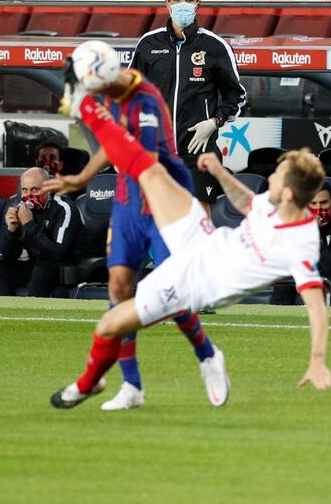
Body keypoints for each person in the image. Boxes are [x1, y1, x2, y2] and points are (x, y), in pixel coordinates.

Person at [50, 64, 331, 409]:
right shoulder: (283, 204)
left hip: (193, 281)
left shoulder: (300, 244)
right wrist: (218, 171)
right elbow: (248, 204)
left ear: (288, 194)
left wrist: (317, 359)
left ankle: (89, 384)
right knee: (148, 172)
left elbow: (317, 308)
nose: (270, 178)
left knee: (109, 325)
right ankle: (86, 106)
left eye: (278, 176)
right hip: (203, 239)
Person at [45, 40, 225, 411]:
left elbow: (140, 157)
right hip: (129, 196)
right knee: (119, 286)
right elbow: (112, 146)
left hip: (162, 196)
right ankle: (132, 386)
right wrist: (81, 178)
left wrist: (92, 116)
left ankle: (208, 356)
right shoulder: (108, 92)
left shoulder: (145, 102)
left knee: (171, 291)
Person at [130, 0, 247, 213]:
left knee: (199, 220)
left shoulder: (215, 46)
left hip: (198, 150)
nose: (183, 4)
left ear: (198, 3)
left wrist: (215, 122)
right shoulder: (148, 44)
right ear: (167, 3)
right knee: (157, 220)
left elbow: (237, 95)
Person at [0, 167, 84, 296]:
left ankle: (32, 312)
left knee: (43, 268)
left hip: (65, 266)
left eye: (35, 189)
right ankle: (5, 312)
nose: (29, 196)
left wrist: (29, 225)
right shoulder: (21, 208)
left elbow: (58, 253)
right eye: (25, 190)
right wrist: (11, 231)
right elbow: (6, 257)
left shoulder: (64, 208)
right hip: (36, 264)